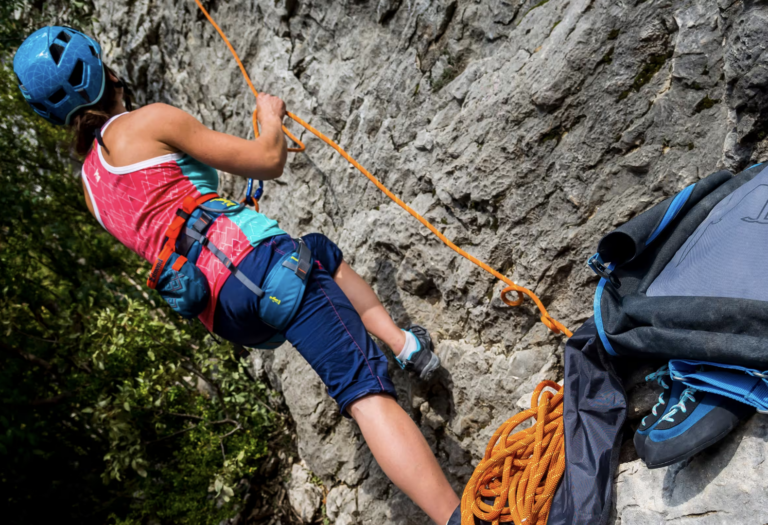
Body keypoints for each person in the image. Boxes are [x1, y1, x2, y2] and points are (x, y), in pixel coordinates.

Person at [13, 26, 460, 524]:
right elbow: (269, 159)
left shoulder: (91, 188)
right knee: (364, 393)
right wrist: (270, 120)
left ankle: (404, 346)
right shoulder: (148, 120)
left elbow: (172, 215)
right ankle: (456, 517)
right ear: (103, 70)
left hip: (226, 312)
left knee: (318, 251)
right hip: (261, 268)